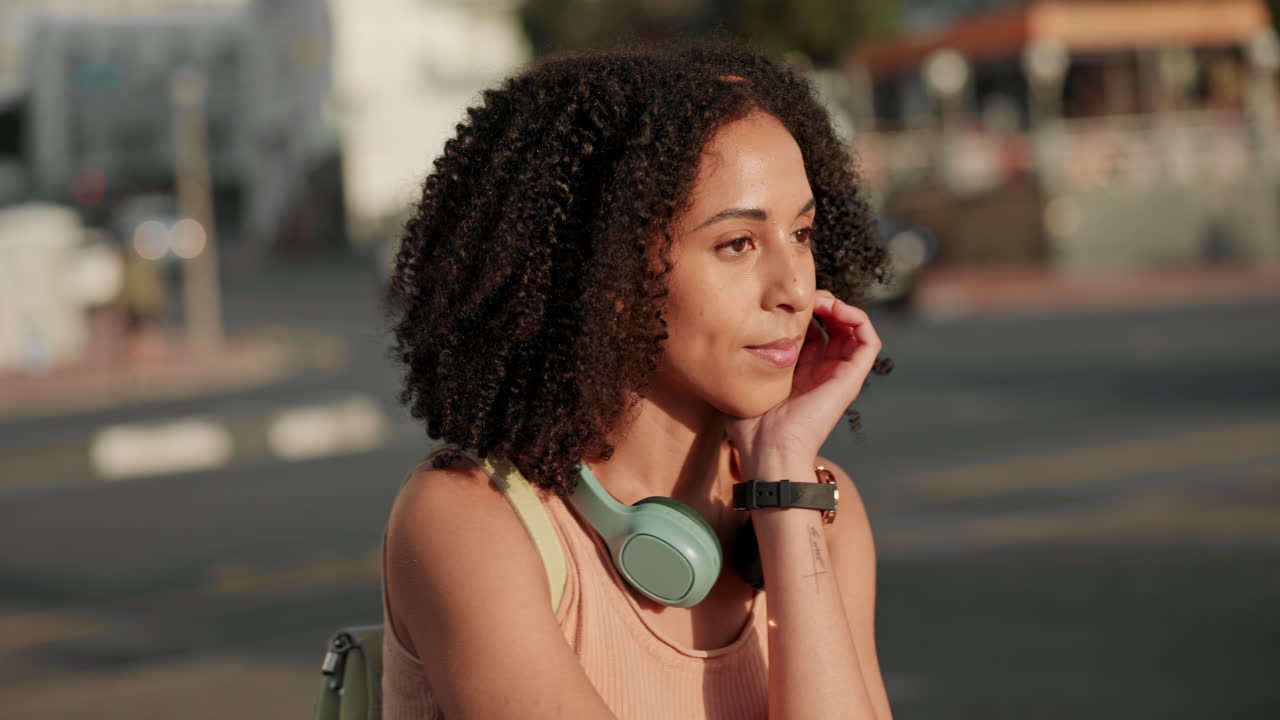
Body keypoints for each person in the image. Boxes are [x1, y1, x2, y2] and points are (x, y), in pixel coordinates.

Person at [381, 37, 895, 720]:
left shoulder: (818, 506)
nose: (796, 289)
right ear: (611, 275)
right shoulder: (470, 520)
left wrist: (783, 480)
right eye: (737, 244)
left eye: (801, 234)